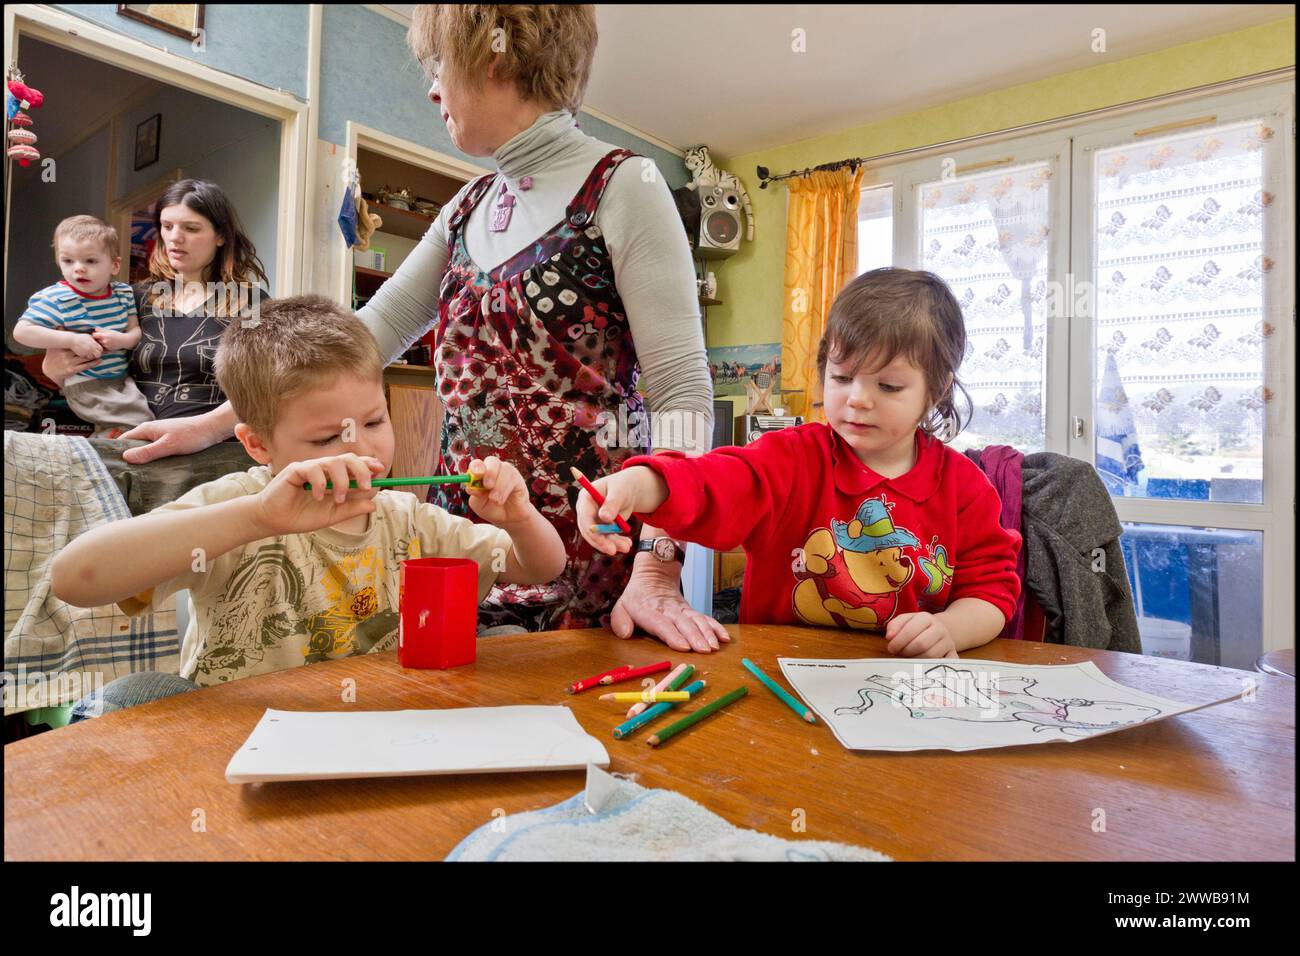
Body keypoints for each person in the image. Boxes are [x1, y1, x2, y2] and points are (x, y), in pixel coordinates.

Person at [92, 5, 727, 653]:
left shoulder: (625, 186)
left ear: (496, 56)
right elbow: (358, 343)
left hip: (594, 547)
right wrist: (210, 424)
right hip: (470, 539)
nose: (430, 88)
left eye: (437, 64)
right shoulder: (465, 209)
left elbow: (681, 395)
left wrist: (657, 565)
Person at [52, 294, 565, 695]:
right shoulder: (238, 505)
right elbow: (75, 579)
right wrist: (256, 518)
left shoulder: (406, 517)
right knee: (137, 694)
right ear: (257, 443)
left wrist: (518, 519)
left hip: (379, 725)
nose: (361, 448)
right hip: (245, 736)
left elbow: (539, 568)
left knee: (506, 645)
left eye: (374, 420)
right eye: (325, 438)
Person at [576, 268, 1022, 659]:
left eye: (888, 386)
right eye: (842, 377)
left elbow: (992, 594)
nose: (858, 399)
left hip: (901, 687)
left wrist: (949, 629)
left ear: (938, 389)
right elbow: (710, 483)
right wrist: (635, 483)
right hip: (777, 681)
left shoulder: (966, 487)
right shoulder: (791, 458)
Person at [39, 179, 269, 446]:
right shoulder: (134, 298)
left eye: (191, 228)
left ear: (221, 236)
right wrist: (53, 368)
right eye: (167, 226)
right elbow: (84, 372)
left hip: (213, 456)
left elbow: (265, 390)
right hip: (133, 448)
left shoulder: (250, 302)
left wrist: (203, 430)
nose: (174, 237)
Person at [12, 215, 150, 438]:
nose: (78, 269)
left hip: (122, 381)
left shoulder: (123, 293)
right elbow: (22, 332)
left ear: (114, 265)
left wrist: (121, 340)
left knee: (143, 420)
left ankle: (100, 447)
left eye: (90, 261)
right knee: (136, 425)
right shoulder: (56, 297)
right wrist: (72, 340)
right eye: (68, 261)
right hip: (87, 384)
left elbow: (135, 332)